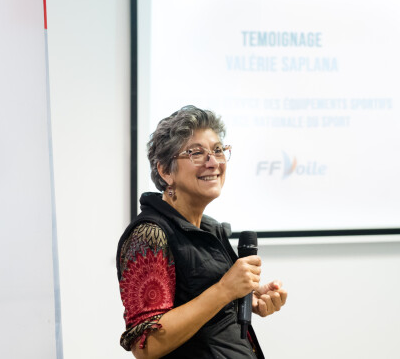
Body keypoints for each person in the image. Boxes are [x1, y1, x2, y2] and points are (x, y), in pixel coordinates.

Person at [117, 105, 287, 358]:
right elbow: (146, 346)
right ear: (165, 171)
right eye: (196, 153)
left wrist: (243, 298)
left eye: (218, 150)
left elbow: (202, 303)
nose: (213, 162)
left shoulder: (208, 228)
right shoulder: (149, 235)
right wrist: (225, 290)